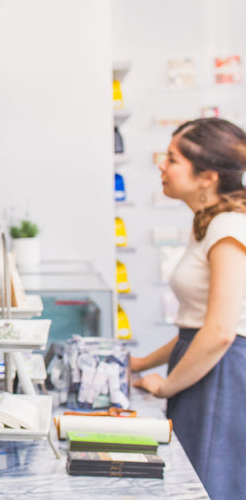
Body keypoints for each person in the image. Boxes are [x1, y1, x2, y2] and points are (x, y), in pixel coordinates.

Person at [130, 117, 246, 499]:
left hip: (220, 377)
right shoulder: (210, 224)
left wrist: (166, 385)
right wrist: (141, 364)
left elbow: (220, 332)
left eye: (173, 158)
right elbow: (194, 328)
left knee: (209, 483)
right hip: (205, 368)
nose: (161, 165)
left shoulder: (228, 228)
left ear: (207, 176)